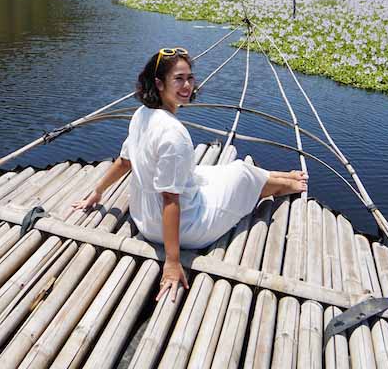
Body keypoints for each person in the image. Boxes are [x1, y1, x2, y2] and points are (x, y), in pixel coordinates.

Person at [71, 47, 308, 302]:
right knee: (239, 173)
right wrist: (172, 262)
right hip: (185, 229)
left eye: (190, 78)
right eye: (178, 79)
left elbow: (124, 161)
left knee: (213, 173)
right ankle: (289, 184)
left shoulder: (141, 114)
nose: (187, 86)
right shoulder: (174, 135)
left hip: (143, 217)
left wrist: (97, 192)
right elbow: (170, 200)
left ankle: (278, 176)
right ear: (159, 83)